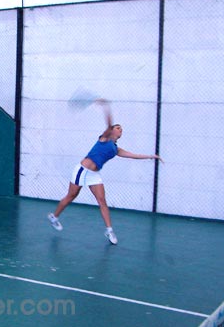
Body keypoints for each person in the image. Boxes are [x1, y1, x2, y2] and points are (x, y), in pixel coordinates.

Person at [47, 100, 163, 245]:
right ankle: (54, 217)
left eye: (121, 129)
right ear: (112, 130)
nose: (120, 130)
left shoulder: (116, 149)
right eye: (118, 128)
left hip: (94, 175)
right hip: (82, 171)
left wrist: (152, 156)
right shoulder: (105, 138)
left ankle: (109, 230)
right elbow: (108, 124)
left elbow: (133, 155)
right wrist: (106, 107)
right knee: (71, 196)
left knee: (102, 201)